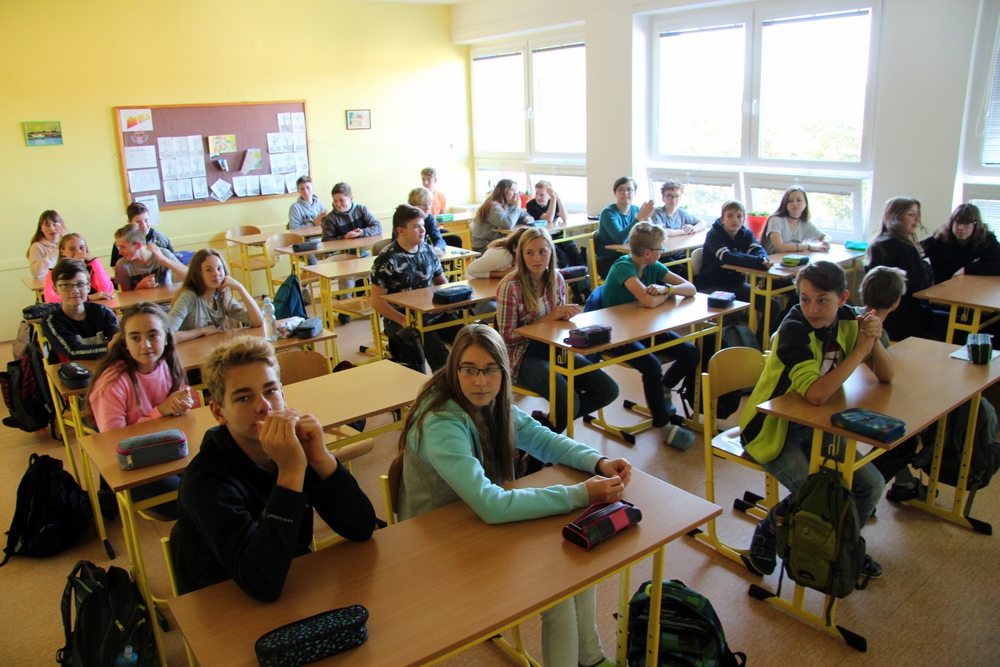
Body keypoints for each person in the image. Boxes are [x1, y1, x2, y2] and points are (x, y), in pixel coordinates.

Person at [396, 323, 629, 667]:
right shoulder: (442, 420)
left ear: (504, 373)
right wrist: (582, 493)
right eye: (469, 369)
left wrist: (597, 461)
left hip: (474, 520)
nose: (481, 381)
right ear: (454, 368)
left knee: (576, 557)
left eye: (490, 370)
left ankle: (590, 657)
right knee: (556, 591)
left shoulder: (491, 401)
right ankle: (587, 658)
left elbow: (543, 439)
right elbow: (491, 505)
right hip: (437, 544)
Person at [170, 336, 376, 599]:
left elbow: (361, 527)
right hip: (224, 603)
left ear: (283, 395)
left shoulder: (294, 449)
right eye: (244, 398)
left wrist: (320, 457)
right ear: (219, 412)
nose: (264, 406)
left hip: (292, 584)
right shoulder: (205, 481)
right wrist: (290, 473)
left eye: (270, 391)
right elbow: (262, 585)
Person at [739, 261, 890, 580]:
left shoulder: (851, 319)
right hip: (771, 429)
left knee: (870, 486)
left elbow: (887, 375)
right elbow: (816, 395)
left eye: (823, 300)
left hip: (818, 425)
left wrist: (873, 339)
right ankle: (769, 529)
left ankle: (844, 547)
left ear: (843, 298)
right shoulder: (794, 328)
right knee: (819, 497)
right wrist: (859, 352)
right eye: (805, 299)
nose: (812, 309)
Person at [495, 227, 618, 434]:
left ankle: (542, 430)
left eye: (542, 251)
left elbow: (556, 324)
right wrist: (550, 318)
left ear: (551, 253)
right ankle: (543, 442)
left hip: (554, 348)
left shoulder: (556, 278)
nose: (537, 258)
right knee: (568, 400)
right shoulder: (510, 286)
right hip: (522, 355)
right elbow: (506, 337)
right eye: (530, 252)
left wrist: (566, 318)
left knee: (609, 390)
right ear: (521, 255)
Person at [85, 303, 194, 519]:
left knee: (214, 481)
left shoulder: (167, 363)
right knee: (189, 501)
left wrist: (183, 403)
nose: (145, 345)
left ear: (166, 337)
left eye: (153, 335)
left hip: (169, 449)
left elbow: (180, 410)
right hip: (135, 463)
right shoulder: (112, 382)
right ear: (125, 342)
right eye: (135, 338)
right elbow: (113, 441)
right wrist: (159, 411)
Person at [600, 222, 699, 450]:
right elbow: (647, 301)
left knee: (690, 353)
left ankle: (664, 389)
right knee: (652, 366)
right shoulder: (624, 266)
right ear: (647, 252)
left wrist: (667, 289)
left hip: (643, 329)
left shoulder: (654, 266)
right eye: (660, 248)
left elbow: (691, 288)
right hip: (615, 334)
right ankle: (663, 424)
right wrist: (665, 295)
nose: (662, 251)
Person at [851, 266, 923, 500]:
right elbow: (885, 377)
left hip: (851, 393)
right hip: (849, 401)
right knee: (904, 439)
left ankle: (900, 482)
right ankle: (860, 494)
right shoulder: (872, 329)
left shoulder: (853, 315)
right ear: (896, 302)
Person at [370, 205, 458, 372]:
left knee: (467, 338)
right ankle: (442, 386)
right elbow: (376, 301)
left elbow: (442, 283)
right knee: (437, 352)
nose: (423, 230)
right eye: (416, 226)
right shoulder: (387, 259)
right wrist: (403, 320)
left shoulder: (428, 250)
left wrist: (449, 304)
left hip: (431, 313)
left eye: (423, 225)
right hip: (401, 318)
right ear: (401, 231)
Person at [695, 200, 781, 341]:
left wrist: (763, 259)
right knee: (732, 311)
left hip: (737, 285)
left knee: (772, 306)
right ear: (722, 219)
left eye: (739, 216)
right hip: (713, 286)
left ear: (744, 219)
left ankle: (758, 342)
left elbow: (757, 249)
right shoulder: (714, 235)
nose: (735, 220)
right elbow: (727, 257)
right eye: (730, 216)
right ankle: (723, 346)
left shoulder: (745, 234)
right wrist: (757, 262)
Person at [865, 197, 948, 342]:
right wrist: (926, 265)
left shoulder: (876, 244)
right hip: (904, 320)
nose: (917, 220)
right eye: (911, 214)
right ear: (895, 217)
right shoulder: (904, 247)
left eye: (917, 215)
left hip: (880, 317)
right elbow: (920, 286)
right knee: (955, 323)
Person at [167, 248, 264, 343]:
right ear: (198, 274)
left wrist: (240, 288)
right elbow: (167, 336)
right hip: (186, 351)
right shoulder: (188, 296)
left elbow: (257, 322)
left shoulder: (220, 296)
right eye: (209, 270)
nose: (216, 274)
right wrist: (202, 331)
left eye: (219, 268)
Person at [41, 259, 119, 364]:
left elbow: (118, 341)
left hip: (105, 366)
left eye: (80, 284)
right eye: (66, 285)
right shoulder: (52, 321)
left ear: (88, 287)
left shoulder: (103, 312)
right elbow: (73, 352)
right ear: (55, 289)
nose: (75, 291)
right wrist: (111, 347)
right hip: (72, 371)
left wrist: (116, 345)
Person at [527, 180, 590, 301]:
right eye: (537, 193)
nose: (538, 197)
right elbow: (549, 219)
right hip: (546, 239)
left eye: (542, 194)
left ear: (549, 195)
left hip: (560, 236)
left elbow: (565, 217)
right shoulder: (532, 205)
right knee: (563, 259)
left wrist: (557, 198)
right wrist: (554, 199)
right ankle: (575, 291)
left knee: (576, 256)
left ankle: (585, 289)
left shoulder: (553, 201)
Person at [921, 203, 1000, 284]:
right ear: (952, 223)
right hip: (944, 286)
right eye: (958, 222)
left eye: (967, 223)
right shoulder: (940, 238)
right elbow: (918, 251)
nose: (961, 228)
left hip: (973, 286)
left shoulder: (986, 239)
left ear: (976, 225)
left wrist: (967, 269)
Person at [594, 177, 655, 279]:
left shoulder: (636, 209)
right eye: (620, 190)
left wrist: (647, 218)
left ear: (635, 193)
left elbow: (650, 235)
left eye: (629, 190)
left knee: (654, 267)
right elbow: (620, 238)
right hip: (608, 261)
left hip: (630, 257)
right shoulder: (608, 212)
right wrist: (640, 217)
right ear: (615, 193)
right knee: (637, 272)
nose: (625, 193)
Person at [113, 222, 187, 291]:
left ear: (138, 245)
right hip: (142, 301)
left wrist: (163, 259)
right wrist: (139, 287)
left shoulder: (163, 253)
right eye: (118, 247)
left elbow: (189, 276)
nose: (120, 252)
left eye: (123, 247)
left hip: (168, 300)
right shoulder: (122, 265)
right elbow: (126, 297)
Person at [43, 233, 115, 302]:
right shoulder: (54, 273)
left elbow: (107, 292)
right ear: (62, 252)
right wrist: (88, 298)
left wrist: (95, 261)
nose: (78, 252)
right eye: (71, 249)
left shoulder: (93, 268)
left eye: (81, 248)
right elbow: (50, 299)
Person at [761, 186, 831, 255]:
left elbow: (825, 236)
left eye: (799, 200)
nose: (794, 204)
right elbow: (779, 248)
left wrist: (825, 242)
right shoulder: (776, 220)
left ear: (806, 203)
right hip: (773, 260)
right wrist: (808, 247)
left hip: (792, 259)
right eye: (790, 201)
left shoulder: (805, 223)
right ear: (785, 204)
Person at [471, 178, 532, 253]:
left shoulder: (510, 205)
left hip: (498, 244)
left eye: (516, 191)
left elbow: (524, 215)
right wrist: (517, 208)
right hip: (484, 247)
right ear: (503, 191)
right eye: (512, 190)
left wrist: (527, 218)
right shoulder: (493, 206)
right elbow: (507, 224)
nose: (515, 194)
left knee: (524, 248)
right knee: (519, 251)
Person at [110, 202, 176, 268]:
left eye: (146, 220)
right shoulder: (122, 243)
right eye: (138, 222)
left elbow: (173, 261)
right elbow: (116, 268)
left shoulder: (160, 238)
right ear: (130, 223)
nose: (144, 226)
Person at [396, 187, 446, 256]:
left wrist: (437, 248)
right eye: (424, 204)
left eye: (429, 204)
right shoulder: (402, 218)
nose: (428, 208)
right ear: (413, 205)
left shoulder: (429, 217)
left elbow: (438, 238)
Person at [27, 210, 67, 279]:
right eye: (47, 225)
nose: (51, 229)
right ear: (41, 228)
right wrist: (58, 249)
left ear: (62, 226)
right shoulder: (36, 246)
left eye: (54, 224)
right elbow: (36, 273)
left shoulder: (69, 243)